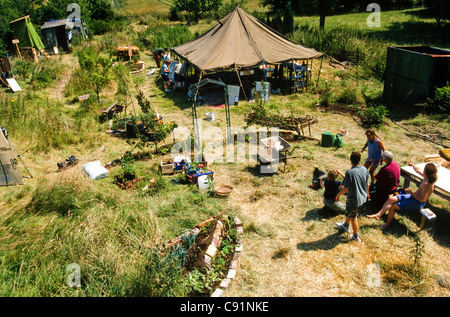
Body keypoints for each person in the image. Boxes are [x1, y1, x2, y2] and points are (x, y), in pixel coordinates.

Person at [367, 162, 438, 229]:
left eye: (424, 169)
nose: (422, 170)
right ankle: (378, 215)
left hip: (417, 203)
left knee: (393, 207)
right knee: (391, 199)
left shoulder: (427, 184)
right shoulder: (426, 177)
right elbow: (418, 170)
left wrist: (411, 193)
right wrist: (413, 165)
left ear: (426, 172)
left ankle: (387, 224)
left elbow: (422, 199)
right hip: (413, 197)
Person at [335, 151, 370, 242]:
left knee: (354, 217)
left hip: (354, 200)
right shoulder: (365, 169)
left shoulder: (350, 172)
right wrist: (368, 193)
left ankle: (355, 236)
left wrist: (338, 195)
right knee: (350, 213)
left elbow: (346, 188)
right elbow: (367, 183)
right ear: (360, 160)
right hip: (363, 198)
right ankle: (345, 225)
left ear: (350, 160)